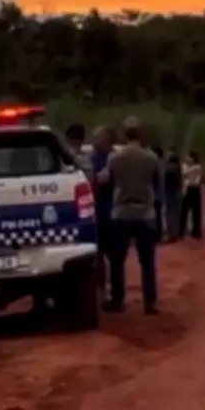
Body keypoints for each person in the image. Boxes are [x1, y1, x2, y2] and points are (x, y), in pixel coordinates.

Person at [97, 116, 160, 314]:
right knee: (147, 261)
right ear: (141, 134)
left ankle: (117, 299)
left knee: (117, 260)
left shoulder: (116, 158)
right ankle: (149, 302)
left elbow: (107, 180)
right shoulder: (151, 158)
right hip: (145, 213)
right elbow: (156, 185)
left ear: (124, 134)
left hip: (121, 212)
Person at [90, 125, 116, 301]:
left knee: (114, 254)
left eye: (99, 137)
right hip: (96, 212)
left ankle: (114, 289)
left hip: (112, 210)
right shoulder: (92, 158)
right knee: (97, 254)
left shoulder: (115, 158)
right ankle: (101, 288)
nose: (96, 141)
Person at [180, 151, 203, 239]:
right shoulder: (189, 166)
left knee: (191, 211)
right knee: (188, 211)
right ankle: (187, 230)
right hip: (189, 189)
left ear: (193, 158)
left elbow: (186, 175)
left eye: (189, 157)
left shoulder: (196, 167)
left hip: (193, 189)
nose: (187, 159)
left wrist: (185, 168)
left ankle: (193, 231)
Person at [164, 148, 183, 242]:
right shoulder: (178, 166)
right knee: (175, 213)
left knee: (170, 213)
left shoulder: (170, 167)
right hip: (175, 191)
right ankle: (175, 233)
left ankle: (171, 234)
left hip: (170, 191)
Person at [151, 145, 166, 240]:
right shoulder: (162, 163)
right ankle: (158, 234)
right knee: (158, 215)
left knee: (155, 216)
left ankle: (157, 235)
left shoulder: (157, 164)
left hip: (155, 194)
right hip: (159, 193)